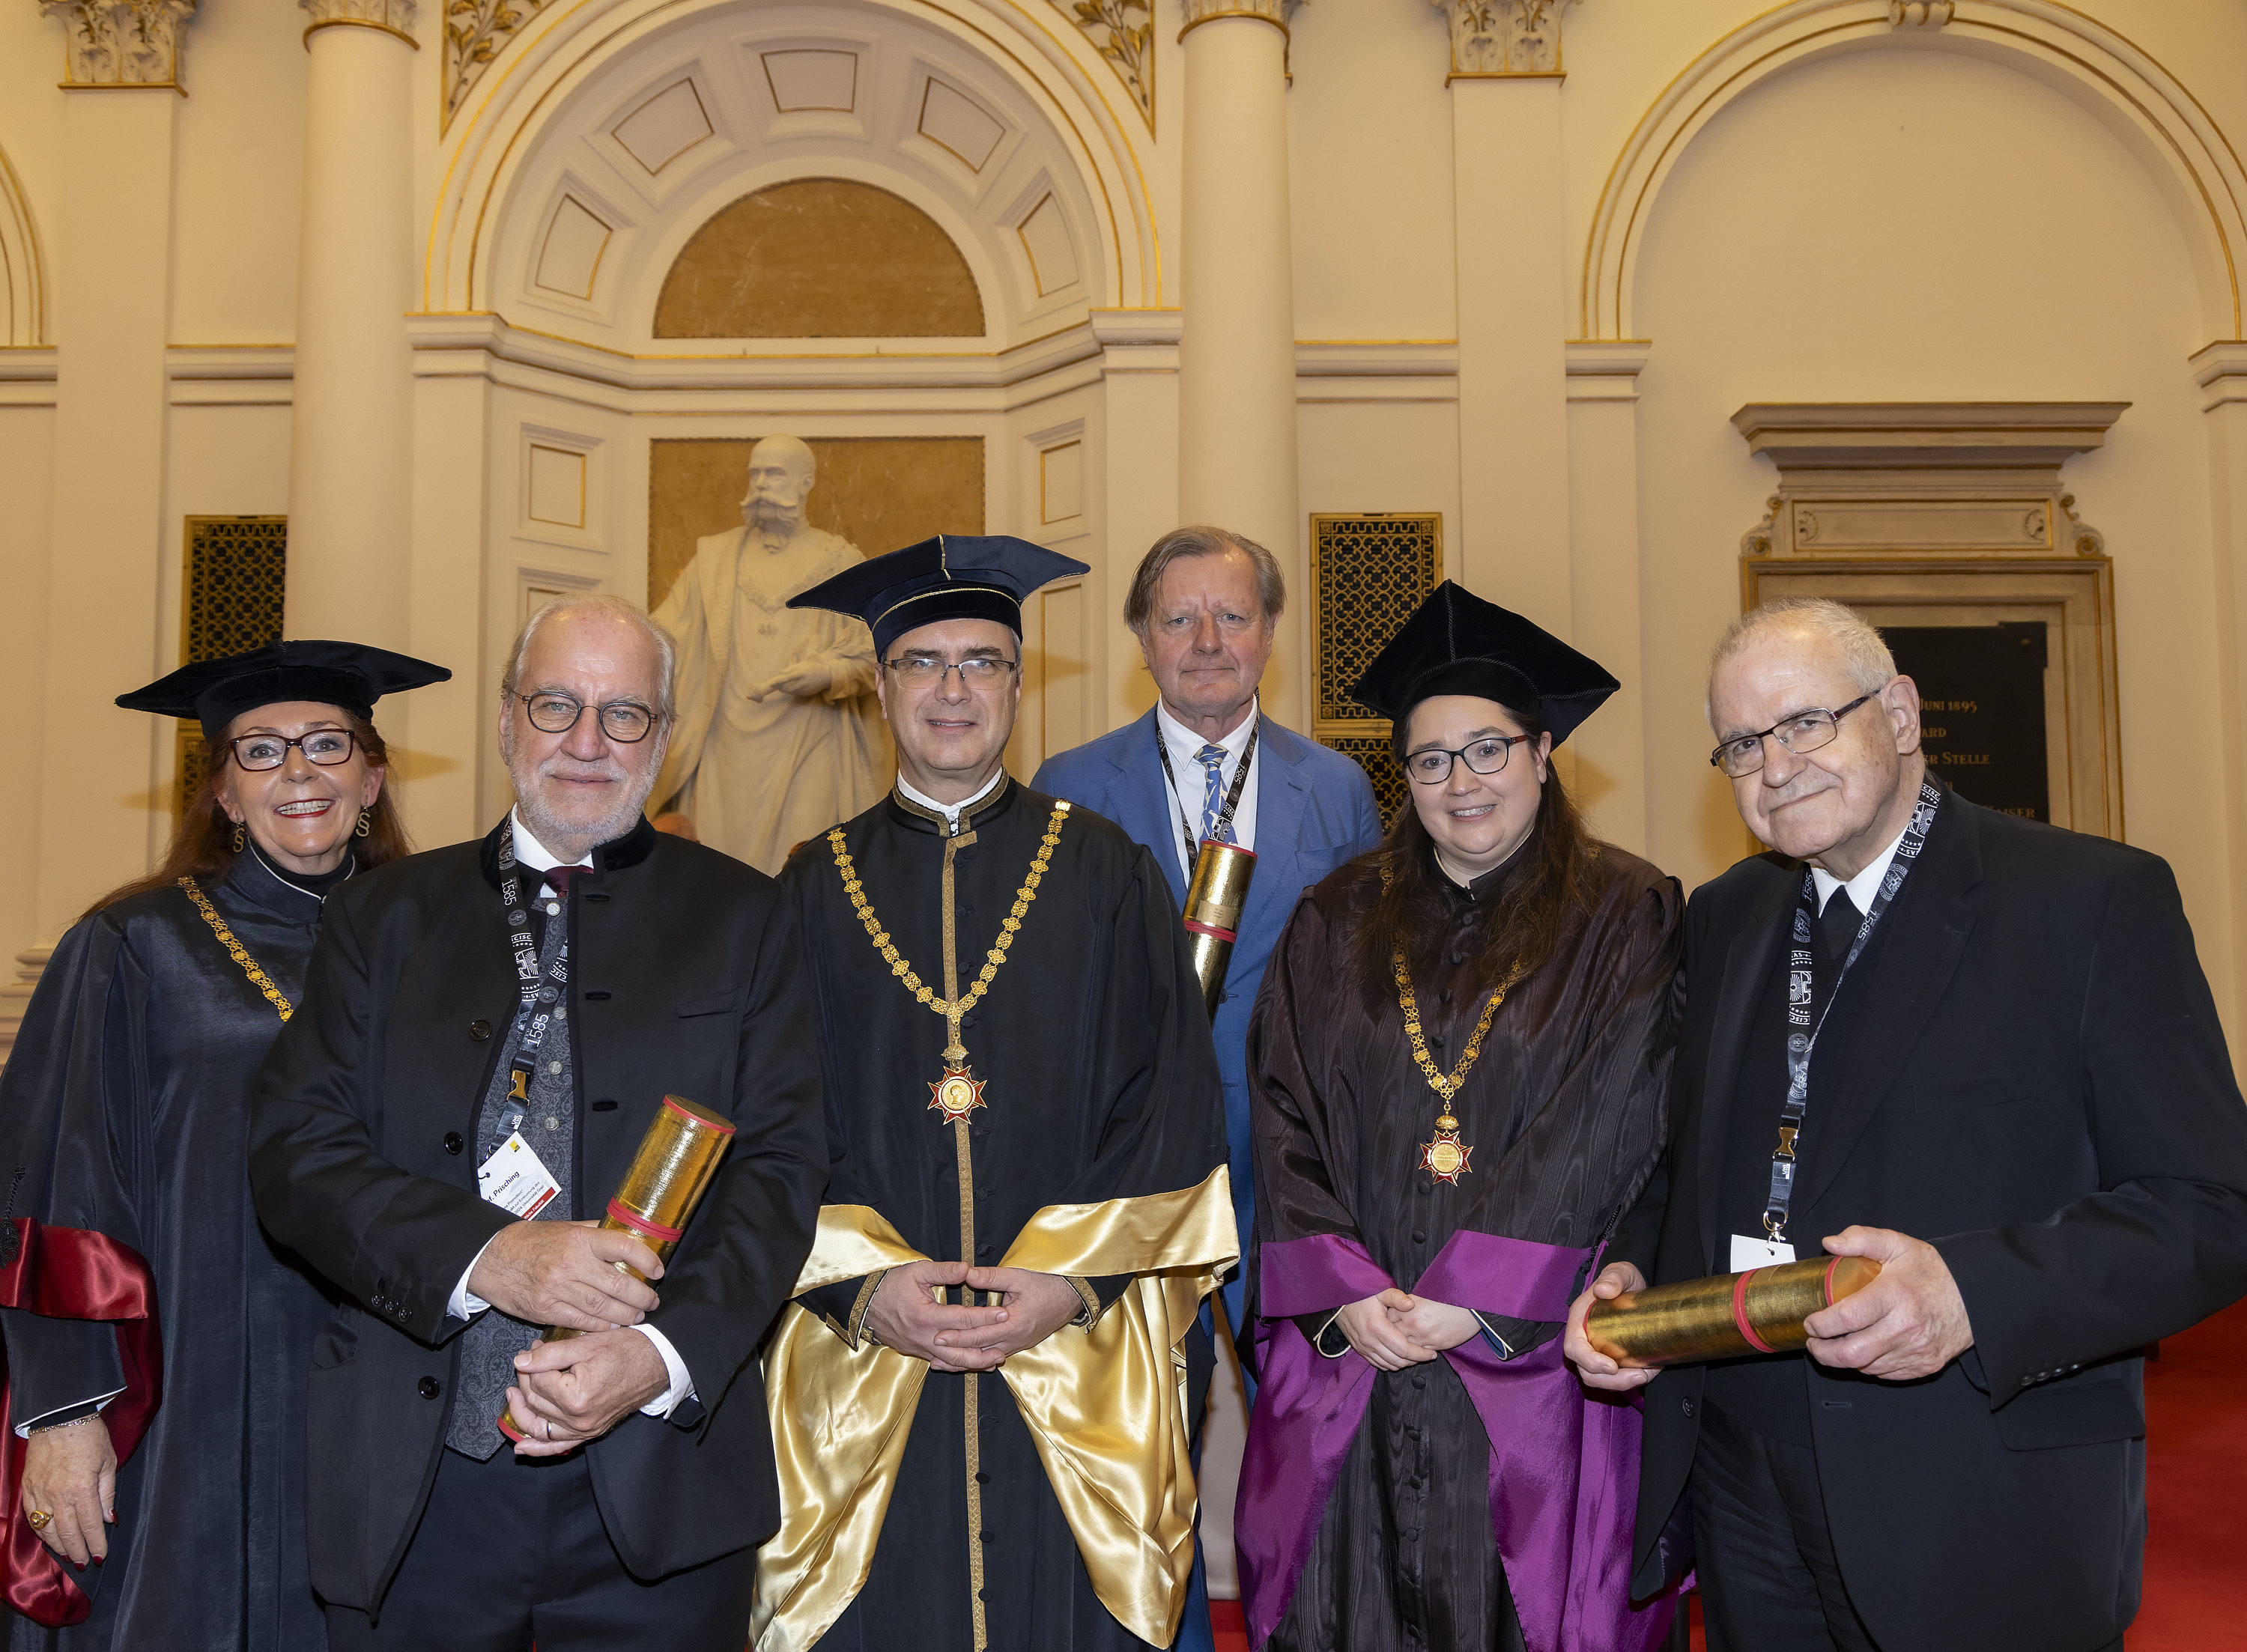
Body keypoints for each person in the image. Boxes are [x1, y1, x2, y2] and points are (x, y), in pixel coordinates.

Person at [1563, 598, 2247, 1652]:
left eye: (1805, 723)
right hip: (1746, 1477)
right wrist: (1630, 1275)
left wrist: (1974, 1292)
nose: (1775, 767)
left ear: (1900, 712)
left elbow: (2210, 1211)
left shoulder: (2089, 901)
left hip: (1970, 1483)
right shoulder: (1728, 913)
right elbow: (1683, 1164)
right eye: (1741, 744)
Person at [248, 595, 828, 1650]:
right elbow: (298, 1153)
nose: (586, 743)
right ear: (507, 719)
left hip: (662, 1498)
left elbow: (783, 1168)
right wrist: (489, 1256)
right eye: (556, 704)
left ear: (665, 735)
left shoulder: (749, 914)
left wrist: (660, 1351)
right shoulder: (383, 916)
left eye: (624, 715)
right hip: (420, 1492)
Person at [758, 535, 1235, 1652]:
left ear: (1019, 684)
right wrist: (863, 1286)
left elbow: (1170, 1105)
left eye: (981, 661)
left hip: (1066, 1350)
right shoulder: (809, 887)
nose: (954, 690)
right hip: (875, 1356)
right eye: (924, 663)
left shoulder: (1107, 870)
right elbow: (768, 1122)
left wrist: (1065, 1288)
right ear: (880, 688)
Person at [1234, 581, 1685, 1652]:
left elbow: (1615, 1119)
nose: (1461, 781)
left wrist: (1471, 1300)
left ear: (1541, 754)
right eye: (1431, 759)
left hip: (1534, 1364)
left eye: (1487, 749)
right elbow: (1282, 1107)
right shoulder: (1335, 916)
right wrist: (1347, 1296)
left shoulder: (1626, 911)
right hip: (1361, 1352)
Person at [0, 640, 448, 1649]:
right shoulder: (134, 944)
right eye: (261, 750)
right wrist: (64, 1409)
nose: (299, 770)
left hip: (384, 1370)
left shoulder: (435, 947)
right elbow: (56, 1175)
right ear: (226, 795)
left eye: (328, 743)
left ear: (372, 777)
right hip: (187, 1370)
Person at [1033, 526, 1383, 1343]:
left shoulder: (1338, 786)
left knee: (1300, 1398)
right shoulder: (1070, 785)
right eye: (1179, 619)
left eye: (1232, 615)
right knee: (1150, 1406)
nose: (1208, 643)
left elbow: (1367, 982)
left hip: (1296, 1146)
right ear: (1141, 638)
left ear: (1269, 631)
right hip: (1134, 1145)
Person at [652, 434, 889, 874]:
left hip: (811, 738)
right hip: (724, 749)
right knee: (719, 877)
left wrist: (827, 673)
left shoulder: (841, 561)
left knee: (805, 870)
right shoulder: (715, 558)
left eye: (774, 473)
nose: (761, 483)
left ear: (806, 482)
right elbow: (659, 637)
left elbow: (877, 657)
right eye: (755, 473)